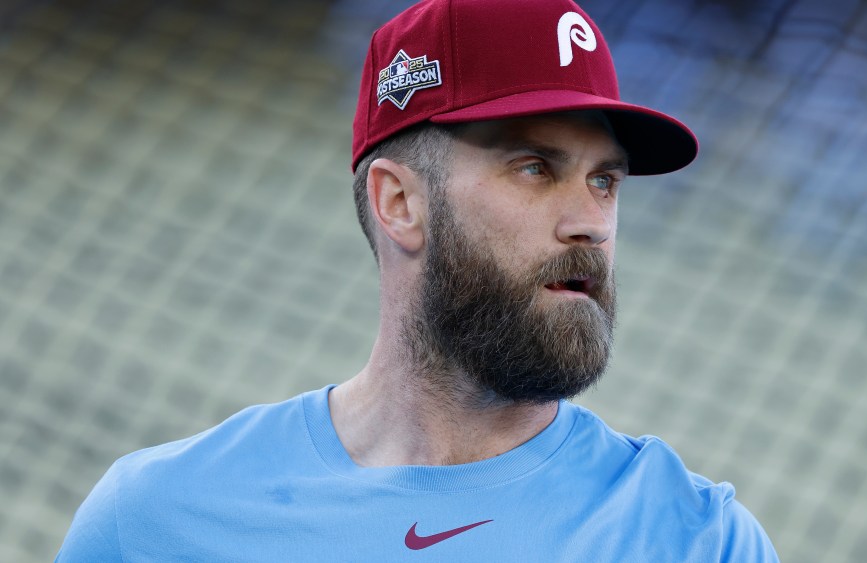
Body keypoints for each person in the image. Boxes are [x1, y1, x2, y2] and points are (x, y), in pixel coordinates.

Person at [57, 0, 779, 560]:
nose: (590, 221)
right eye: (536, 167)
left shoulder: (697, 541)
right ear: (399, 203)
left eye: (605, 180)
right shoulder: (156, 521)